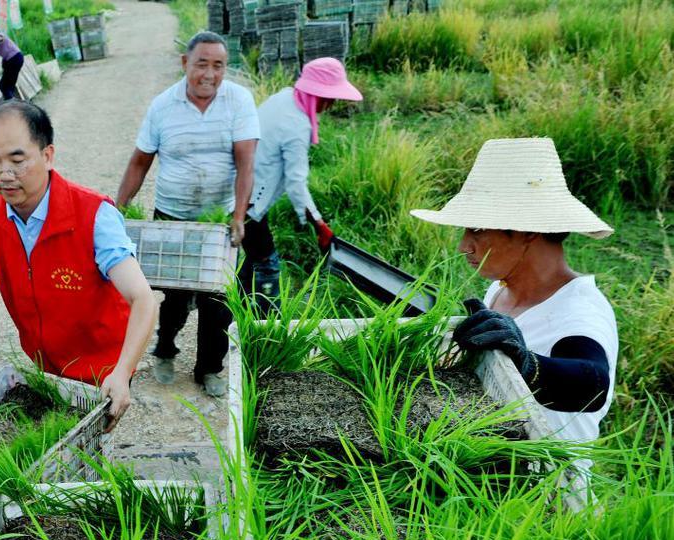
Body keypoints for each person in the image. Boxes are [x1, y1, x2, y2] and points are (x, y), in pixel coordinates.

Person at [0, 100, 158, 430]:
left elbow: (143, 299)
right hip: (46, 365)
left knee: (93, 446)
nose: (4, 175)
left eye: (17, 160)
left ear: (48, 155)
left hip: (102, 368)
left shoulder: (93, 215)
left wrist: (123, 372)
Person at [410, 137, 618, 443]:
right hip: (494, 469)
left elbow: (591, 383)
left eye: (477, 230)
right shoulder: (498, 291)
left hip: (549, 483)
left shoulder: (579, 310)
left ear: (528, 230)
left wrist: (527, 363)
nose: (463, 246)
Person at [115, 30, 259, 397]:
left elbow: (246, 165)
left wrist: (239, 215)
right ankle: (165, 349)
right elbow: (139, 162)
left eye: (219, 66)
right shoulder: (162, 106)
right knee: (175, 295)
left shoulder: (239, 101)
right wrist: (118, 210)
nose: (209, 74)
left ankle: (209, 368)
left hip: (219, 222)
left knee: (218, 300)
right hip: (173, 216)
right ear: (185, 64)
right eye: (202, 64)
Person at [245, 57, 362, 314]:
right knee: (267, 266)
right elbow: (296, 182)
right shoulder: (297, 125)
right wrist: (319, 224)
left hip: (242, 191)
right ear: (315, 93)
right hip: (250, 202)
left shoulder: (284, 98)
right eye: (328, 97)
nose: (331, 104)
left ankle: (235, 313)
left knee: (249, 264)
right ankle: (266, 329)